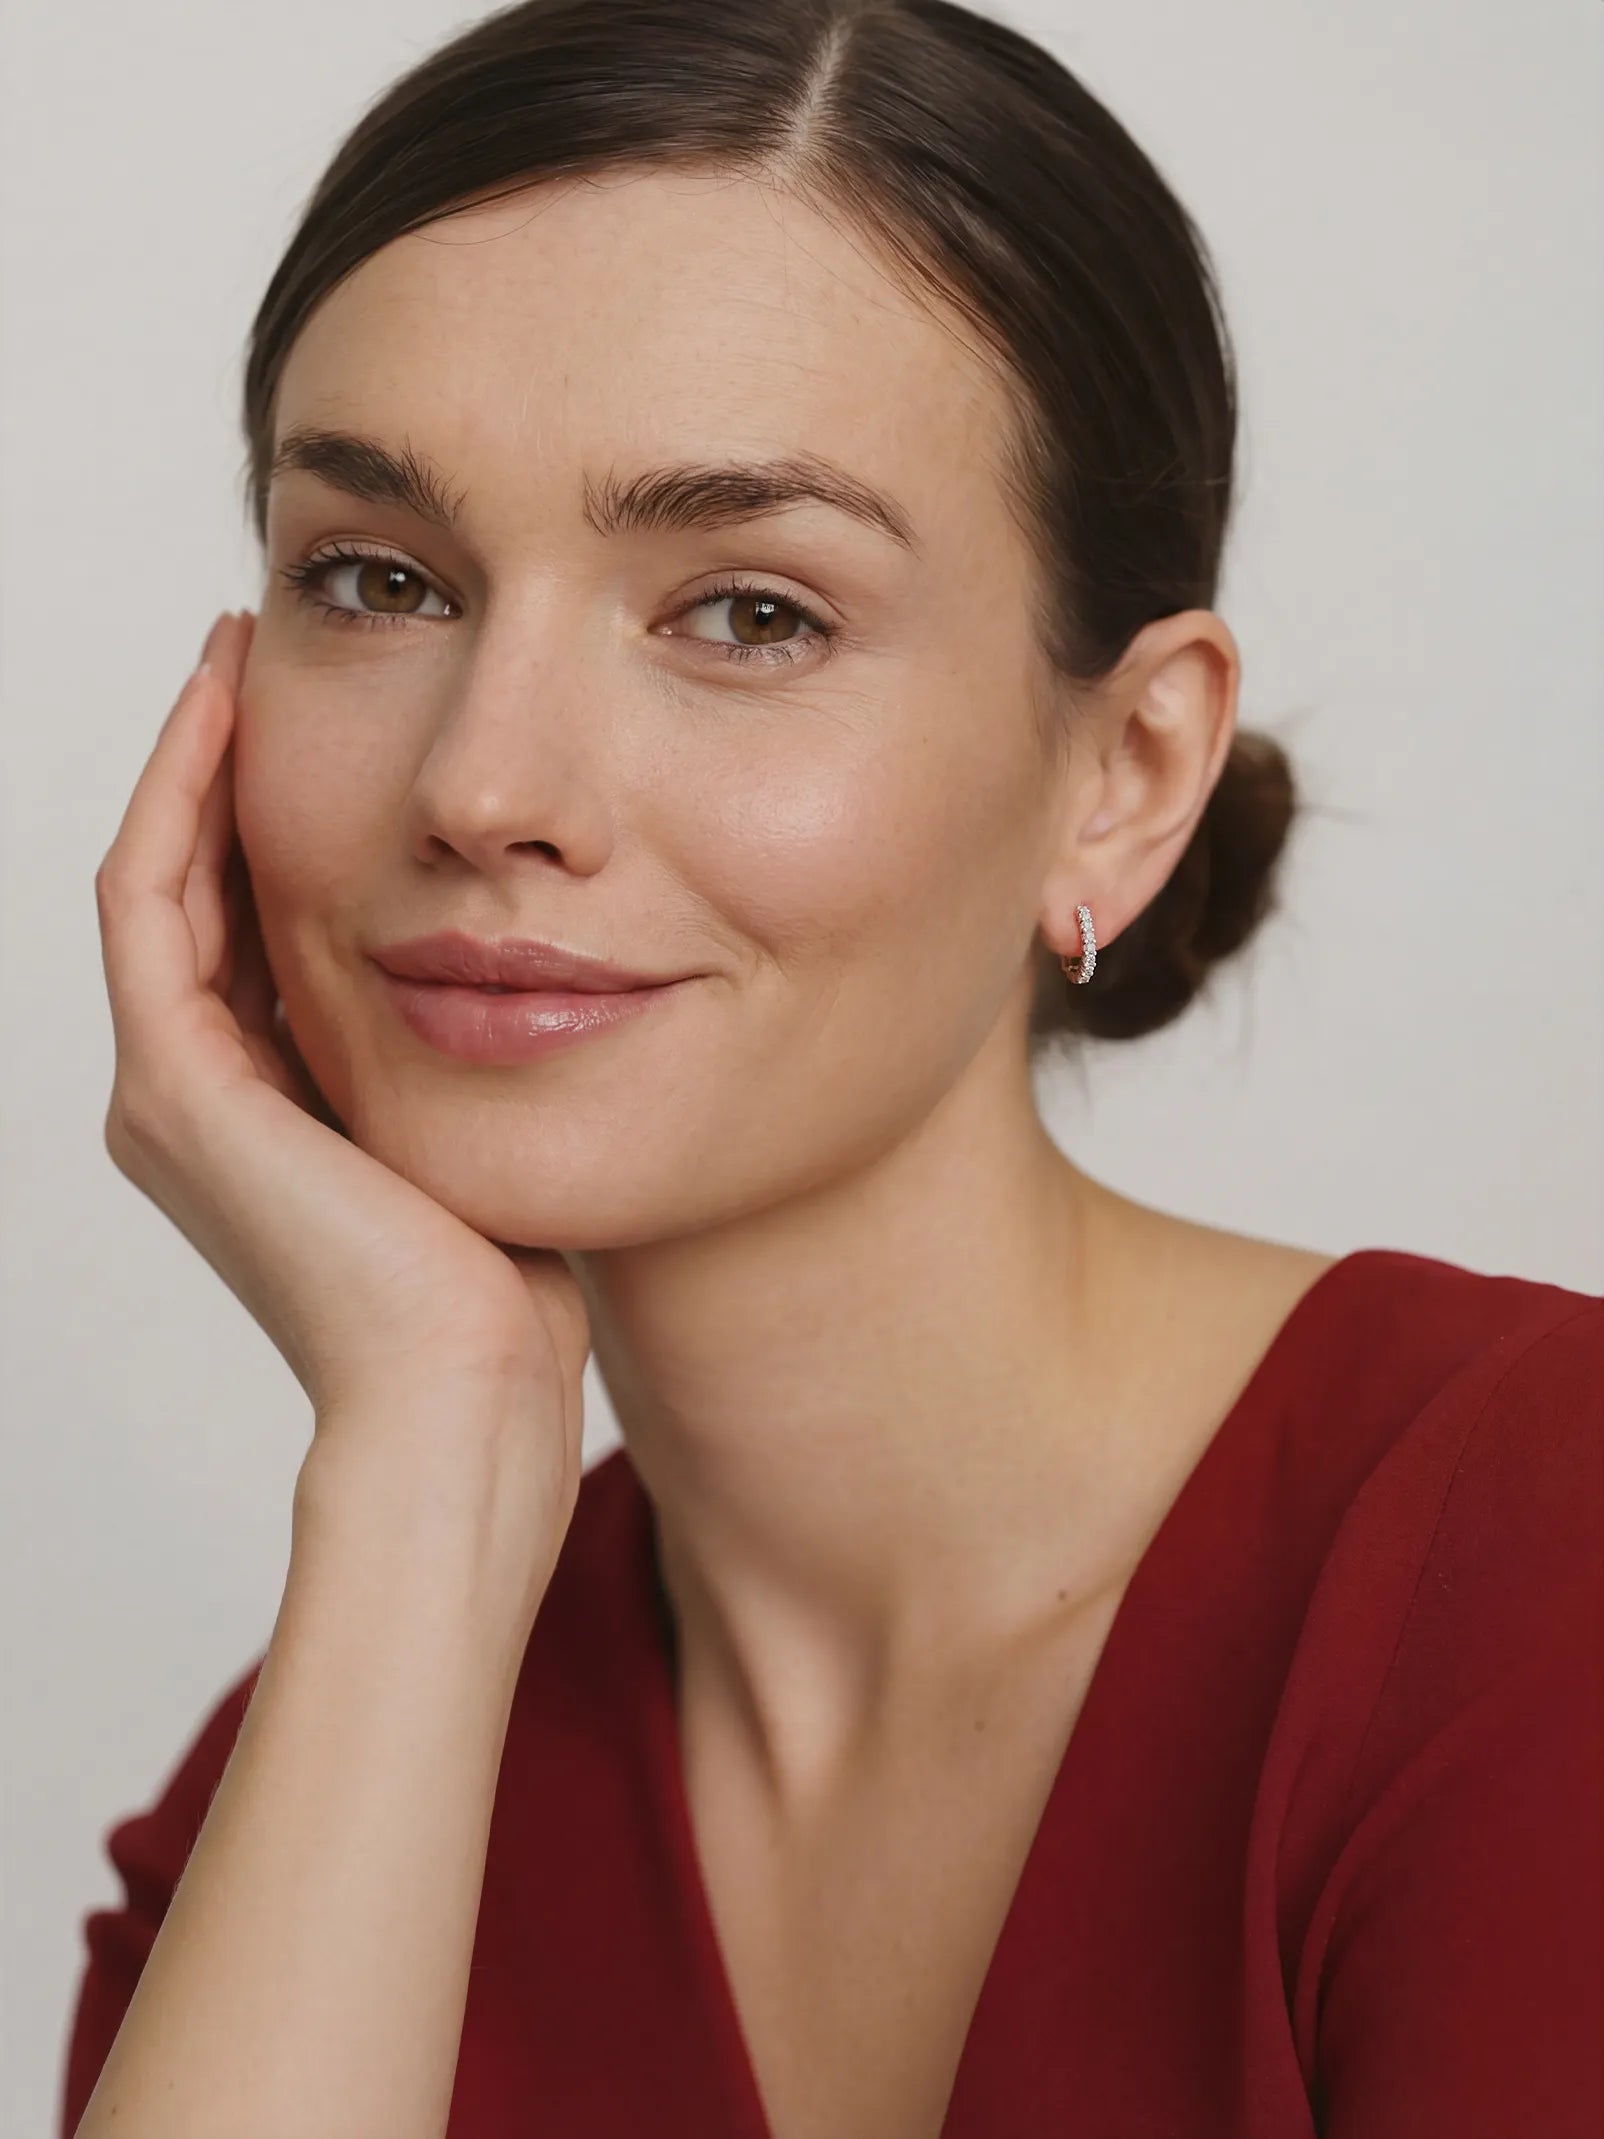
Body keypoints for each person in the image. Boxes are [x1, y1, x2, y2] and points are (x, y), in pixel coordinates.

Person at [63, 1, 1601, 2135]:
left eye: (750, 613)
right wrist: (434, 1445)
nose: (487, 780)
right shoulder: (307, 1791)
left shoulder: (1539, 1571)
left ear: (1122, 770)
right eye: (379, 578)